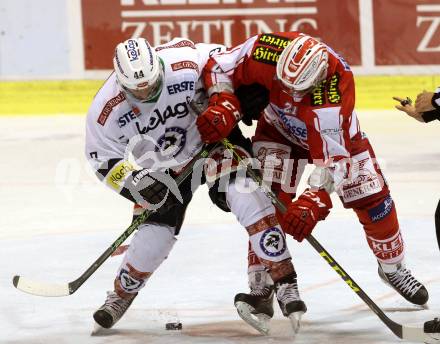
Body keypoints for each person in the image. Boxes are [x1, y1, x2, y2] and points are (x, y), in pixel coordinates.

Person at [197, 31, 429, 333]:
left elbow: (334, 160)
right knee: (265, 205)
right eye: (284, 84)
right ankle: (263, 287)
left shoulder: (335, 89)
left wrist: (314, 198)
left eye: (299, 89)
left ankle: (392, 267)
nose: (290, 95)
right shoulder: (266, 49)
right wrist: (224, 102)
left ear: (318, 76)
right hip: (278, 130)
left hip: (338, 142)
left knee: (372, 200)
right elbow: (218, 66)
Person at [85, 37, 304, 334]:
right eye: (138, 90)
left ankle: (283, 281)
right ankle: (120, 296)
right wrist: (135, 182)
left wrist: (232, 100)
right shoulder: (106, 108)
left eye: (152, 84)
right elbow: (101, 157)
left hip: (213, 141)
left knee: (247, 193)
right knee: (156, 234)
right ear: (121, 84)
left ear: (159, 67)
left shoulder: (185, 61)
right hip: (162, 167)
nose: (147, 92)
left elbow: (226, 67)